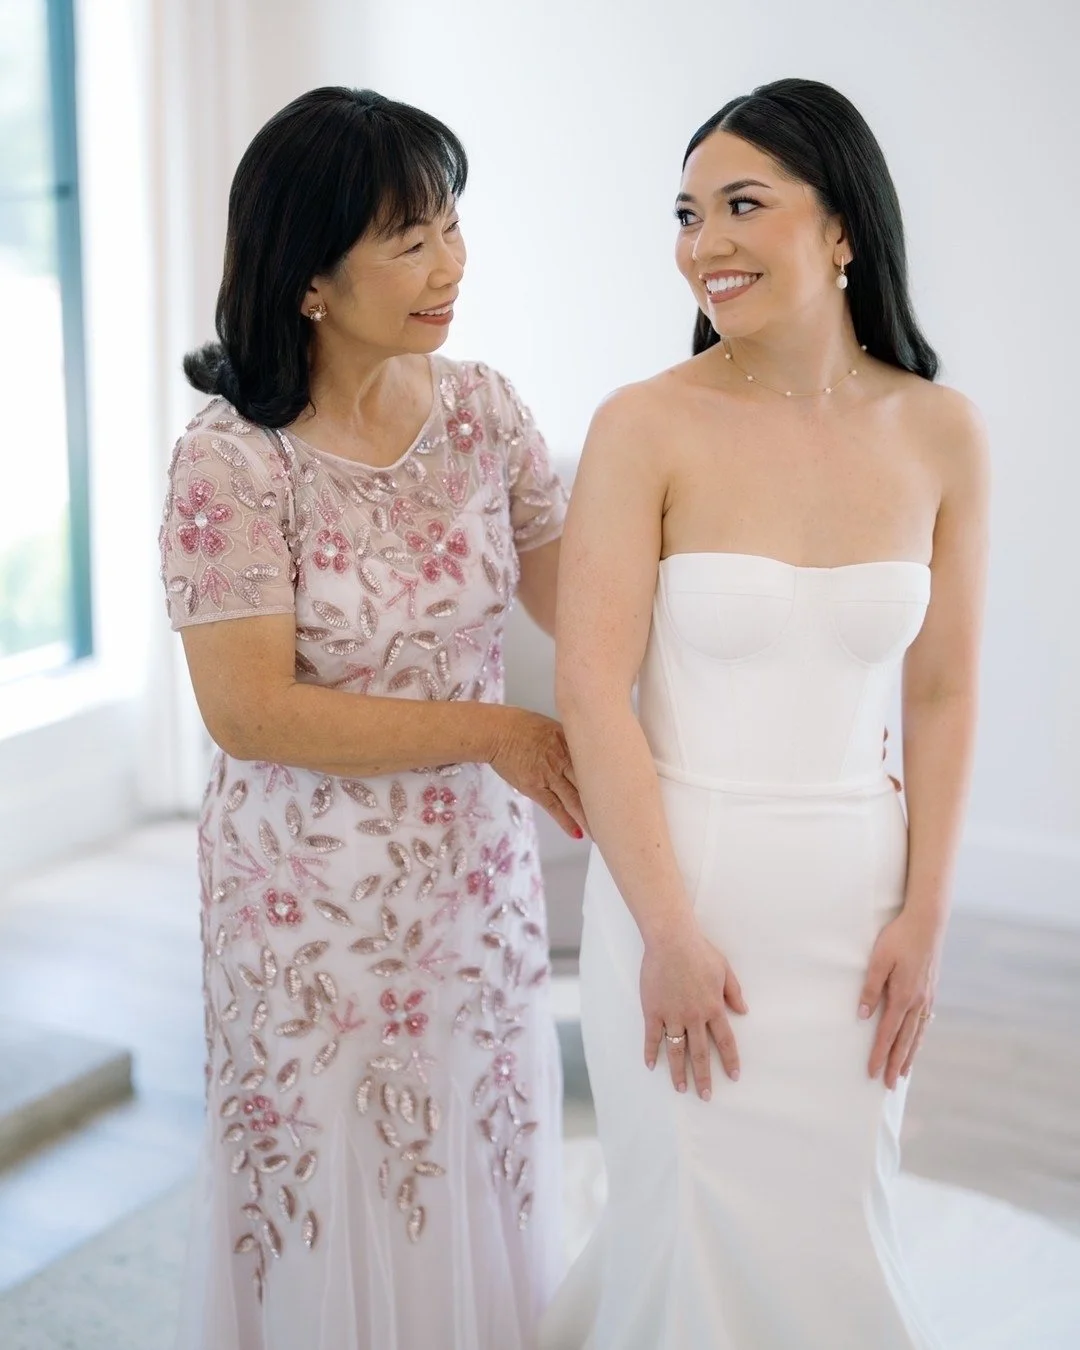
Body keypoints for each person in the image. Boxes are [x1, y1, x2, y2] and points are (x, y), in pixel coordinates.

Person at [544, 78, 988, 1349]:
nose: (706, 244)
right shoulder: (646, 423)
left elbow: (944, 689)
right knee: (685, 1220)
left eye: (744, 205)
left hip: (859, 896)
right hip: (686, 886)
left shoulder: (941, 432)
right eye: (688, 214)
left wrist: (927, 915)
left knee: (839, 1223)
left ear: (842, 225)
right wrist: (666, 929)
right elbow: (592, 687)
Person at [159, 86, 582, 1350]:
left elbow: (590, 610)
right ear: (310, 279)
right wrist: (498, 732)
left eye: (451, 227)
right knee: (329, 1179)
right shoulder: (231, 460)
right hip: (307, 908)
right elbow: (249, 713)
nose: (451, 264)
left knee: (480, 1146)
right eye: (410, 240)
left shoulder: (484, 411)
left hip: (474, 882)